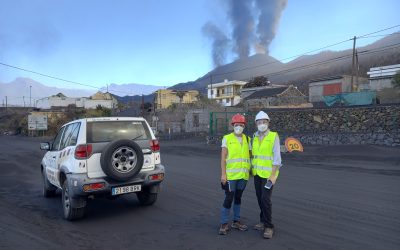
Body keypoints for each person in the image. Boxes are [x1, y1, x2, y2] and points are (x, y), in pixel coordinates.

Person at [218, 114, 251, 235]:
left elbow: (251, 156)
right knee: (229, 198)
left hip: (243, 176)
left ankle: (236, 221)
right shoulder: (227, 138)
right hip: (231, 176)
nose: (239, 127)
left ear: (244, 126)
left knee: (238, 198)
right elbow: (223, 158)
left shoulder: (248, 139)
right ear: (233, 125)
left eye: (241, 125)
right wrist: (223, 174)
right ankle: (224, 223)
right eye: (236, 125)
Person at [251, 111, 282, 239]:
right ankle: (262, 221)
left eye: (264, 122)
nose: (262, 124)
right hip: (257, 173)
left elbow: (277, 158)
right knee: (259, 197)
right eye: (259, 122)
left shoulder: (274, 136)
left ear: (268, 123)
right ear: (256, 124)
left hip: (270, 175)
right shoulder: (254, 136)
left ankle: (269, 226)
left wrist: (273, 175)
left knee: (265, 199)